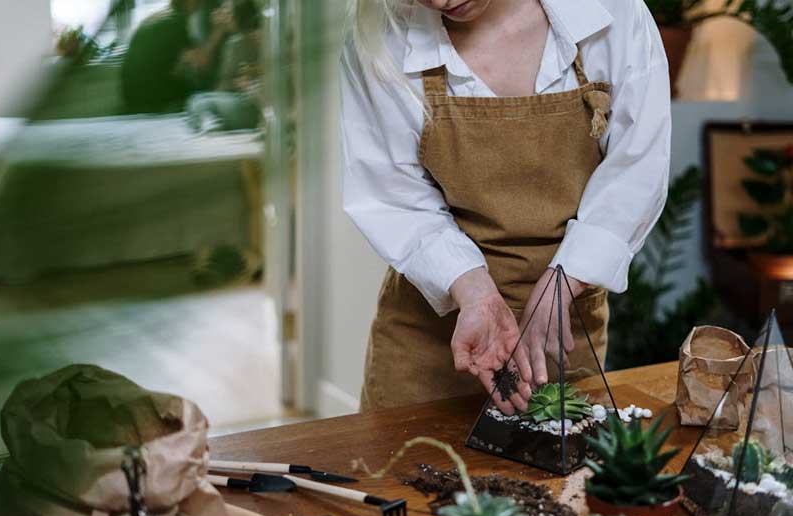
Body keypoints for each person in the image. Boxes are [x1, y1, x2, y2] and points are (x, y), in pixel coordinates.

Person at [340, 0, 671, 414]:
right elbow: (392, 194)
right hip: (425, 345)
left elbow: (635, 173)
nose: (440, 1)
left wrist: (564, 283)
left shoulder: (614, 15)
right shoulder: (382, 41)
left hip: (560, 333)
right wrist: (473, 290)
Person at [121, 0, 229, 113]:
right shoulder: (174, 22)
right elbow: (201, 62)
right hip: (147, 98)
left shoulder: (160, 16)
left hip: (132, 96)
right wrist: (219, 30)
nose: (200, 4)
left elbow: (177, 63)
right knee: (201, 99)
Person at [186, 0, 263, 131]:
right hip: (261, 103)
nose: (219, 13)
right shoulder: (260, 35)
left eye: (225, 10)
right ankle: (211, 119)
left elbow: (223, 88)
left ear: (233, 16)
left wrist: (243, 83)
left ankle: (210, 120)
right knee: (201, 98)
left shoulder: (236, 43)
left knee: (197, 101)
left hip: (253, 106)